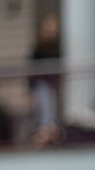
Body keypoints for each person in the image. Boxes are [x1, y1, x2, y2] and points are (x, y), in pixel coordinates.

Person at [30, 13, 62, 147]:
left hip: (52, 83)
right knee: (44, 109)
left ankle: (52, 132)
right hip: (41, 83)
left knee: (52, 109)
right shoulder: (39, 48)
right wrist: (30, 87)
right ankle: (44, 132)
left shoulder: (56, 47)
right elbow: (32, 68)